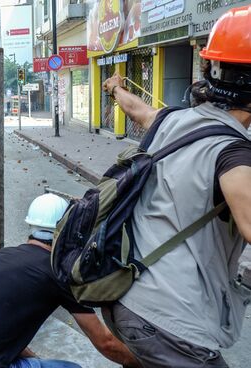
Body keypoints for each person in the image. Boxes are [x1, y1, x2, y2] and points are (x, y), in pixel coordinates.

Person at [101, 5, 251, 367]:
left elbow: (139, 110)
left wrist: (115, 88)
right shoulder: (233, 154)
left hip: (125, 297)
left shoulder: (173, 121)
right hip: (170, 321)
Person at [0, 194, 140, 368]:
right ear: (65, 231)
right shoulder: (60, 273)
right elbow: (106, 343)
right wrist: (143, 362)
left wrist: (32, 358)